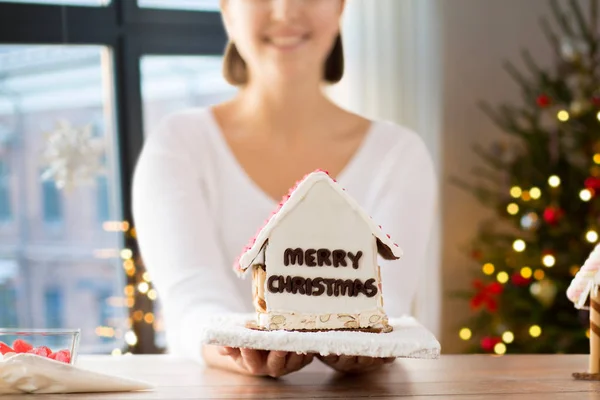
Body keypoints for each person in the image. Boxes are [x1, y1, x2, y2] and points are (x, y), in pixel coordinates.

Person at [132, 0, 437, 378]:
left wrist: (360, 342)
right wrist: (240, 348)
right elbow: (193, 304)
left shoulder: (399, 154)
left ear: (340, 6)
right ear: (227, 9)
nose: (285, 11)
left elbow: (384, 300)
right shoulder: (177, 144)